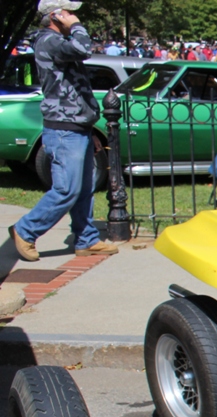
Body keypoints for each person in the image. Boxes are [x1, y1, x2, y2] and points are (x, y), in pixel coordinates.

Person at [9, 0, 117, 261]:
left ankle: (86, 239)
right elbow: (83, 49)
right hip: (63, 130)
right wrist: (77, 26)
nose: (74, 16)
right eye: (69, 12)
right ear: (55, 15)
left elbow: (74, 89)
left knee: (84, 189)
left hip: (77, 127)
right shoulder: (48, 41)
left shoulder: (58, 43)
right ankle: (25, 230)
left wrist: (88, 129)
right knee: (66, 189)